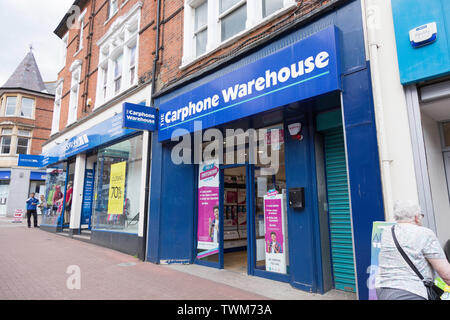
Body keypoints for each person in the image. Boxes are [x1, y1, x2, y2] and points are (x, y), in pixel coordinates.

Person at [375, 201, 450, 300]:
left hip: (385, 292)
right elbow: (446, 274)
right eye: (421, 215)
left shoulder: (387, 233)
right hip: (411, 293)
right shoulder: (424, 233)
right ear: (416, 217)